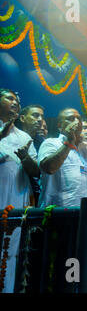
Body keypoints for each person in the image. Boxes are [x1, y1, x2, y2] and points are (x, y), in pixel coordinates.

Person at [0, 88, 40, 293]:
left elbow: (36, 172)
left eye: (17, 100)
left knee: (10, 253)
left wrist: (25, 157)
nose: (15, 102)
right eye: (9, 98)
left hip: (15, 206)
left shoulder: (24, 136)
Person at [38, 108, 87, 208]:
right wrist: (68, 143)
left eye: (78, 119)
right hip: (60, 213)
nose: (76, 122)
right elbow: (49, 168)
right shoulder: (51, 143)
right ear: (59, 125)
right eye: (70, 118)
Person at [16, 104, 46, 205]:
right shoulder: (13, 137)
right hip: (15, 190)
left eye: (42, 116)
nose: (40, 119)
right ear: (22, 118)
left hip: (38, 195)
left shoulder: (44, 143)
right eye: (35, 115)